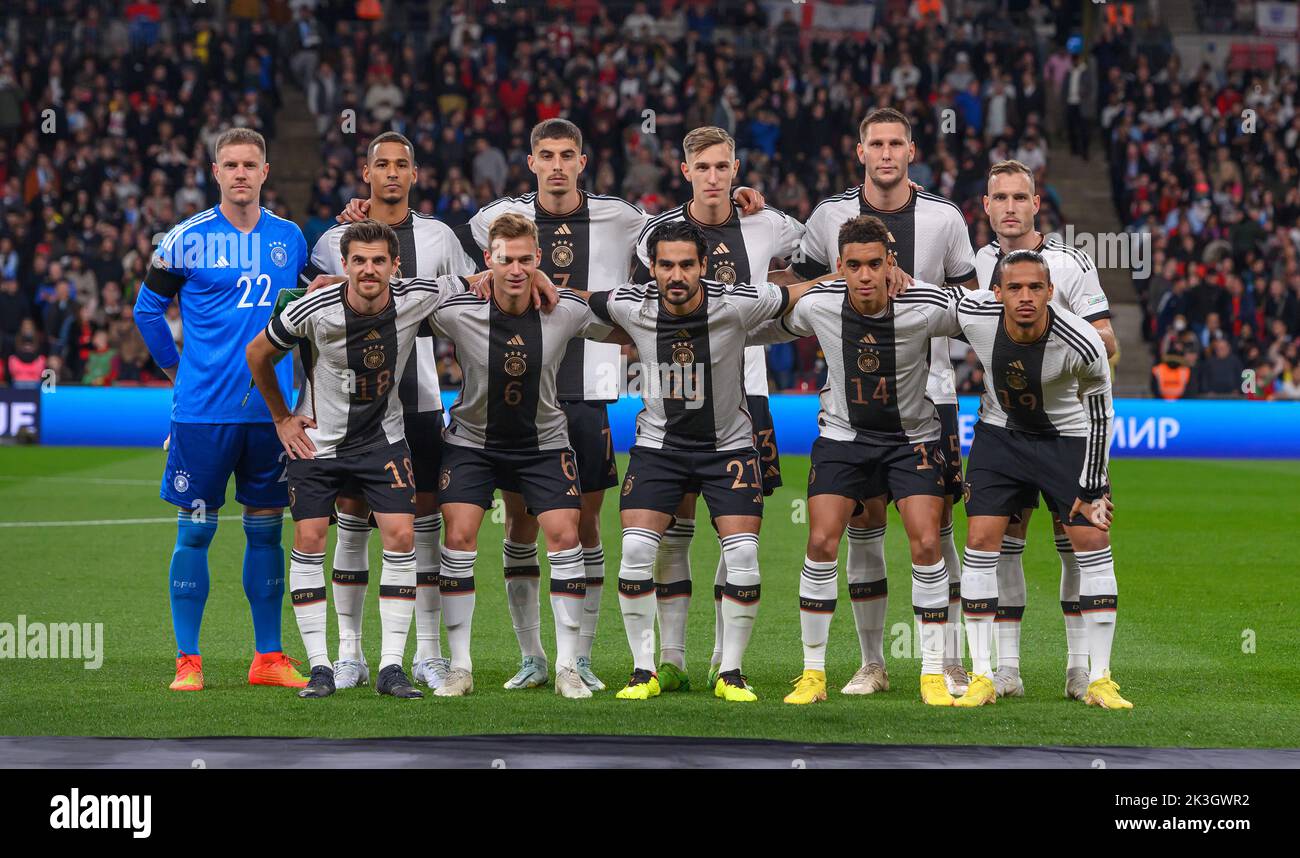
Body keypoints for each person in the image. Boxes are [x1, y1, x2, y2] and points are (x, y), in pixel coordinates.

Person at [577, 220, 821, 702]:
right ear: (652, 267)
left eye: (687, 264)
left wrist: (839, 279)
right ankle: (645, 669)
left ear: (704, 267)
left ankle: (730, 672)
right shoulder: (632, 304)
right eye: (666, 264)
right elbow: (581, 299)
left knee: (744, 557)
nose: (676, 274)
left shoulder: (737, 303)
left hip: (727, 447)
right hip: (658, 447)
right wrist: (530, 279)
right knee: (636, 554)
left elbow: (795, 295)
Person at [792, 107, 978, 697]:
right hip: (852, 394)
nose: (888, 153)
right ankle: (872, 662)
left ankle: (946, 660)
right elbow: (794, 288)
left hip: (931, 393)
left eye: (897, 143)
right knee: (862, 527)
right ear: (861, 150)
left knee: (937, 529)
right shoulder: (829, 216)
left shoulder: (945, 217)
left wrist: (916, 290)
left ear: (912, 150)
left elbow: (971, 301)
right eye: (877, 143)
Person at [246, 219, 473, 700]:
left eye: (378, 261)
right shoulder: (313, 308)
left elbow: (479, 279)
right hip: (317, 443)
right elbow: (257, 353)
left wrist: (529, 275)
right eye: (359, 261)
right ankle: (323, 666)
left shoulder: (416, 295)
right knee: (309, 539)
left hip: (382, 442)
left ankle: (392, 665)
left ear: (395, 265)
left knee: (402, 534)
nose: (369, 270)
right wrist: (282, 418)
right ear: (344, 265)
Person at [751, 216, 964, 706]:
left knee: (929, 540)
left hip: (913, 439)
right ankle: (816, 673)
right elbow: (760, 326)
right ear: (839, 267)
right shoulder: (820, 305)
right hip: (844, 439)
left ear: (892, 264)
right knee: (822, 540)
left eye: (874, 264)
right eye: (853, 266)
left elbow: (982, 317)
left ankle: (933, 671)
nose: (865, 275)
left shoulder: (926, 305)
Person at [630, 126, 805, 692]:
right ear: (685, 171)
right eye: (702, 167)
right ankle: (672, 656)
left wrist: (763, 210)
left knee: (738, 532)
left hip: (745, 393)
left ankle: (722, 655)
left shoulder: (769, 223)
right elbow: (645, 306)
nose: (713, 177)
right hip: (676, 392)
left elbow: (800, 269)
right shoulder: (656, 235)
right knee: (674, 528)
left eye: (723, 167)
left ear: (736, 169)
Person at [133, 127, 308, 693]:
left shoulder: (290, 238)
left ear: (265, 171)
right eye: (229, 164)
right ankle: (189, 660)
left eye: (249, 164)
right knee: (195, 535)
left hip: (271, 416)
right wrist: (177, 375)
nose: (239, 173)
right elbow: (147, 310)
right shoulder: (185, 238)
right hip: (203, 416)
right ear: (214, 172)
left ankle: (269, 658)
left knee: (266, 536)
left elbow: (306, 314)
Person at [301, 131, 477, 692]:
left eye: (403, 165)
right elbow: (308, 322)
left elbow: (473, 298)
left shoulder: (439, 236)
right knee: (351, 526)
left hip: (419, 396)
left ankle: (423, 653)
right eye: (383, 165)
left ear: (415, 174)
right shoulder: (333, 240)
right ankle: (349, 654)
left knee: (419, 527)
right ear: (367, 173)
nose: (393, 174)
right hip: (348, 407)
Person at [426, 212, 622, 699]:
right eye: (505, 259)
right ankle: (460, 667)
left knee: (565, 535)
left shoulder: (566, 311)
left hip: (544, 444)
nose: (515, 269)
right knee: (460, 537)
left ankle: (567, 667)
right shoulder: (458, 310)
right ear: (489, 260)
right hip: (473, 443)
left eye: (524, 260)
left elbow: (625, 320)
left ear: (538, 261)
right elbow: (402, 296)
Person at [953, 249, 1130, 710]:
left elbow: (1102, 415)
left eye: (1035, 287)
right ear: (996, 293)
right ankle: (984, 675)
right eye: (1015, 287)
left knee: (1091, 541)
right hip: (1000, 435)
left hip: (1067, 439)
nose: (1026, 296)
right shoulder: (974, 314)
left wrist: (1092, 488)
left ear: (1051, 292)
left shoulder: (1083, 341)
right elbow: (930, 299)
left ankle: (1099, 678)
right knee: (981, 539)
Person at [974, 159, 1119, 699]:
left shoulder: (1071, 263)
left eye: (1019, 198)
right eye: (1000, 199)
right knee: (1004, 543)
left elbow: (1105, 339)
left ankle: (1080, 668)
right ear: (986, 207)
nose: (1010, 208)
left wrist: (1047, 331)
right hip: (1002, 426)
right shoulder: (974, 263)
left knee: (1073, 542)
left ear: (1037, 204)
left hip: (1067, 429)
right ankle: (1006, 669)